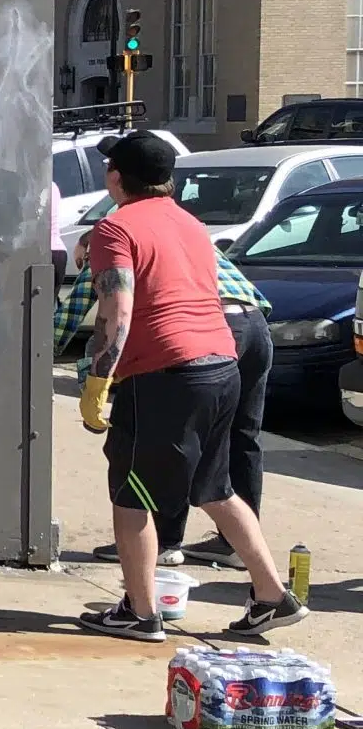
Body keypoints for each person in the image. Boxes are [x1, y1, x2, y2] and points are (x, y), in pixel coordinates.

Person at [76, 133, 303, 640]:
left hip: (164, 374)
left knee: (131, 492)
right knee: (214, 487)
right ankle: (271, 594)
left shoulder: (115, 228)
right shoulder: (190, 223)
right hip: (221, 365)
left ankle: (140, 612)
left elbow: (118, 309)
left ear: (116, 177)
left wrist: (98, 379)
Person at [57, 240, 269, 570]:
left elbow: (68, 321)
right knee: (242, 437)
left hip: (208, 331)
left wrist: (36, 353)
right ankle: (235, 545)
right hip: (255, 324)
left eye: (83, 263)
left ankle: (164, 541)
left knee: (178, 436)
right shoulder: (179, 237)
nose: (85, 270)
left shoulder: (109, 244)